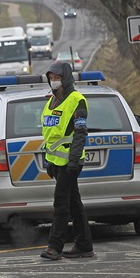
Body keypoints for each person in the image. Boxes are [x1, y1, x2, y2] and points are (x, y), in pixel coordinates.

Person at [40, 61, 94, 260]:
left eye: (57, 78)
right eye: (51, 78)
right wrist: (49, 162)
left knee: (60, 203)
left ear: (66, 78)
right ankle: (84, 245)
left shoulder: (76, 100)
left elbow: (80, 133)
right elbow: (50, 135)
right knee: (74, 204)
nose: (54, 81)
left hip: (70, 162)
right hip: (56, 162)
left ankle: (55, 247)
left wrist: (72, 162)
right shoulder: (51, 101)